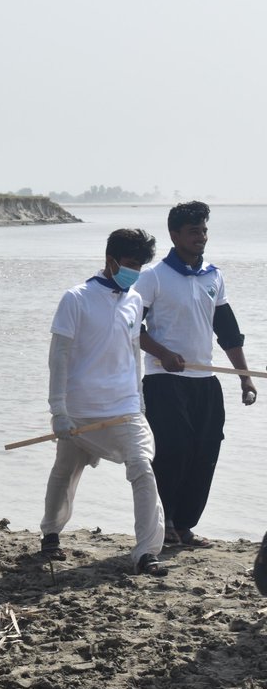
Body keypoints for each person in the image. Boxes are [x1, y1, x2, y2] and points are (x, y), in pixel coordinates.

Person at [40, 228, 167, 575]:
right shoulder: (75, 298)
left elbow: (133, 354)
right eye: (129, 264)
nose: (134, 271)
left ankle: (146, 552)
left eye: (140, 265)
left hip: (125, 409)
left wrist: (139, 402)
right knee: (65, 472)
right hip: (80, 411)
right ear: (110, 260)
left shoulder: (135, 300)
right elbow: (59, 358)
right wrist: (59, 411)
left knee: (142, 466)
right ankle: (50, 532)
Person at [137, 202, 257, 549]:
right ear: (175, 235)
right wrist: (162, 354)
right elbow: (133, 327)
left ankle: (186, 525)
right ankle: (166, 521)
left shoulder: (213, 276)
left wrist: (244, 377)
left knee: (205, 451)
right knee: (172, 450)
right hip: (164, 380)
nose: (200, 237)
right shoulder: (154, 277)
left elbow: (228, 332)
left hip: (205, 382)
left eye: (204, 230)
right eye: (193, 231)